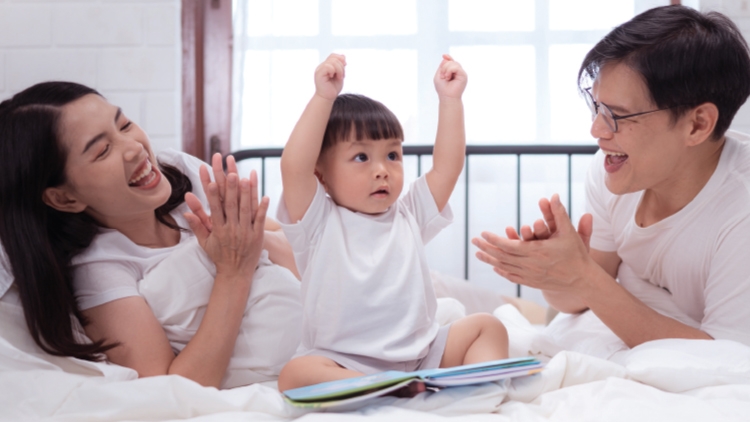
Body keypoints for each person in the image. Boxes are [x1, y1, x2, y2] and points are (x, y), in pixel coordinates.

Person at [473, 5, 750, 350]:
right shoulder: (617, 170)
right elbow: (579, 299)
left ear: (697, 125)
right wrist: (557, 269)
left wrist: (584, 276)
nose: (597, 130)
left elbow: (729, 358)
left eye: (617, 115)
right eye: (597, 107)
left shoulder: (740, 209)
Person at [0, 81, 302, 388]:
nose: (135, 148)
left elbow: (298, 254)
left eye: (124, 125)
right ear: (64, 198)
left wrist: (249, 236)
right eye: (103, 151)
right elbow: (169, 390)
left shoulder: (184, 173)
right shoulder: (100, 270)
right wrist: (233, 271)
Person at [276, 53, 509, 391]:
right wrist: (323, 97)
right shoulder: (319, 224)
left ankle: (475, 390)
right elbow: (294, 168)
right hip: (345, 362)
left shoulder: (409, 213)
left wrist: (450, 101)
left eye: (392, 155)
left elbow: (447, 168)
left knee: (488, 326)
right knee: (295, 374)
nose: (382, 170)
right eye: (361, 157)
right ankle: (381, 385)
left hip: (422, 359)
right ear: (321, 174)